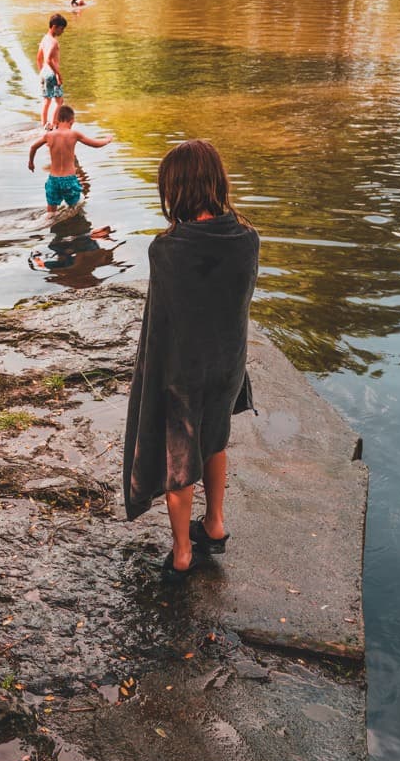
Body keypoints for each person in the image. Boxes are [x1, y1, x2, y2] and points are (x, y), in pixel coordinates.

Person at [122, 140, 259, 580]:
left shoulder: (167, 249)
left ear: (176, 190)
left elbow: (163, 325)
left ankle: (182, 553)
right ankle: (214, 525)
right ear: (216, 182)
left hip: (184, 375)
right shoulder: (247, 237)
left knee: (179, 460)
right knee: (215, 438)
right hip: (228, 367)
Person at [28, 104, 113, 216]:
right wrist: (107, 140)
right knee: (75, 208)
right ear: (72, 121)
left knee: (51, 213)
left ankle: (50, 222)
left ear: (57, 120)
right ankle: (73, 227)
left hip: (53, 179)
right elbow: (95, 144)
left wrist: (31, 162)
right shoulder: (74, 134)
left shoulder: (49, 135)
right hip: (69, 179)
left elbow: (33, 147)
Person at [36, 13, 67, 129]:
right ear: (54, 26)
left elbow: (39, 58)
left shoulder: (44, 39)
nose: (62, 32)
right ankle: (54, 125)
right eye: (61, 29)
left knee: (47, 100)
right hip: (52, 73)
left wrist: (41, 71)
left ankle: (44, 125)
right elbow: (48, 59)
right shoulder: (53, 42)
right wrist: (58, 74)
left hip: (44, 72)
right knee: (59, 101)